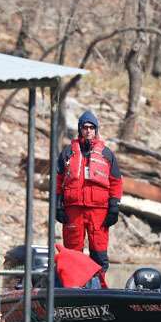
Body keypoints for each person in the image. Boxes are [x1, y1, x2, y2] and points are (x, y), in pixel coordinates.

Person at [55, 110, 123, 284]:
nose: (88, 131)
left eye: (91, 128)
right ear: (79, 129)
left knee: (99, 249)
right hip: (73, 209)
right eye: (85, 128)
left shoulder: (107, 154)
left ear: (96, 130)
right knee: (72, 251)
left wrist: (114, 207)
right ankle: (73, 286)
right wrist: (57, 204)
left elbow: (116, 181)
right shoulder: (68, 153)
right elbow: (58, 179)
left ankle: (99, 285)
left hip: (99, 211)